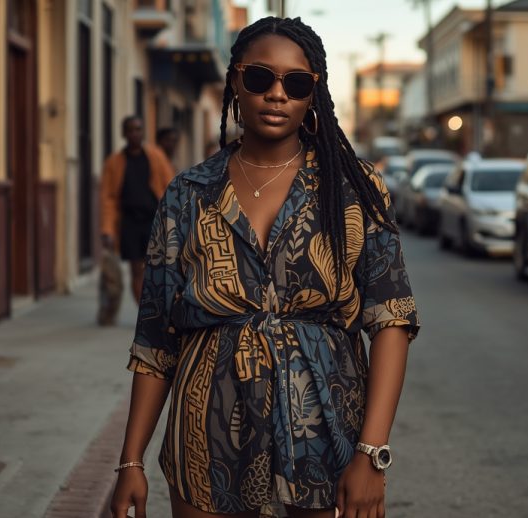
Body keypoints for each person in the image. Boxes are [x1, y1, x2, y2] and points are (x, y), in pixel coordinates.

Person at [111, 17, 419, 518]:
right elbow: (155, 340)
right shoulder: (187, 195)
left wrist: (373, 453)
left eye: (296, 83)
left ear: (313, 95)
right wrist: (130, 461)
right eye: (260, 77)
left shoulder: (354, 190)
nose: (277, 94)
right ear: (234, 80)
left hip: (323, 444)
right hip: (203, 446)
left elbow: (391, 321)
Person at [100, 116, 175, 304]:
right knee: (136, 270)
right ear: (123, 134)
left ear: (143, 132)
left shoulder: (156, 157)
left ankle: (157, 307)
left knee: (157, 268)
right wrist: (108, 230)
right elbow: (108, 199)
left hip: (154, 220)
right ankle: (144, 312)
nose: (134, 133)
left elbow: (171, 187)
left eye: (138, 129)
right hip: (129, 222)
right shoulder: (114, 162)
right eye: (130, 130)